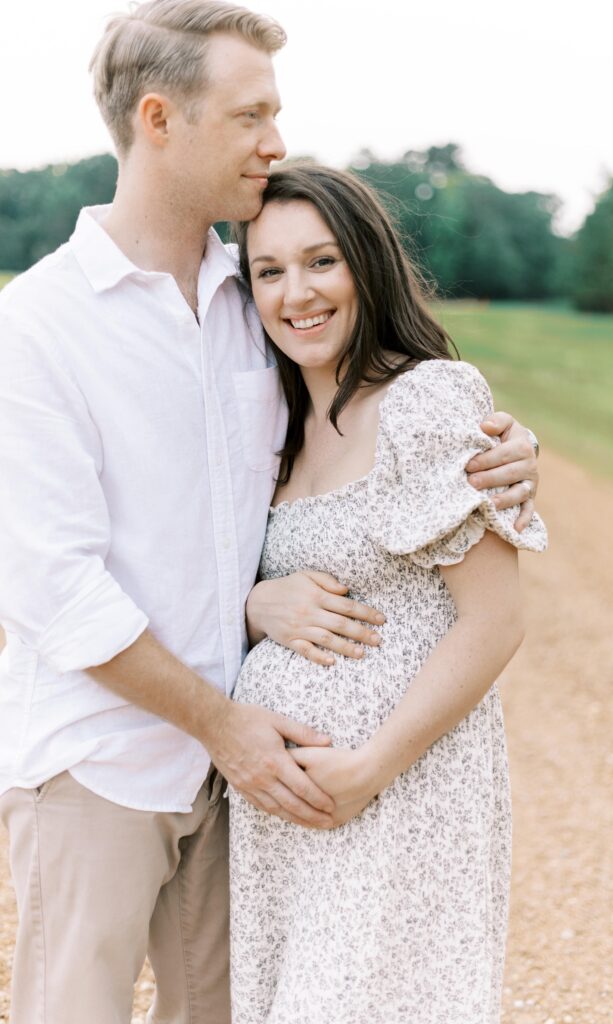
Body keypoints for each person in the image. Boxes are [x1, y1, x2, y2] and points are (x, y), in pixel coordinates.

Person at [0, 2, 540, 1022]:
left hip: (245, 785)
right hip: (105, 760)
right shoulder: (40, 325)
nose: (275, 141)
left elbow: (357, 440)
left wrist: (506, 450)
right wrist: (226, 722)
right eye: (252, 115)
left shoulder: (250, 305)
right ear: (160, 120)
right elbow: (53, 589)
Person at [229, 163, 548, 1024]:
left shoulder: (425, 401)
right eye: (268, 270)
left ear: (366, 264)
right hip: (285, 816)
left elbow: (495, 620)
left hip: (401, 792)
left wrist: (370, 767)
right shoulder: (272, 422)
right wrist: (255, 608)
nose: (296, 292)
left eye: (321, 261)